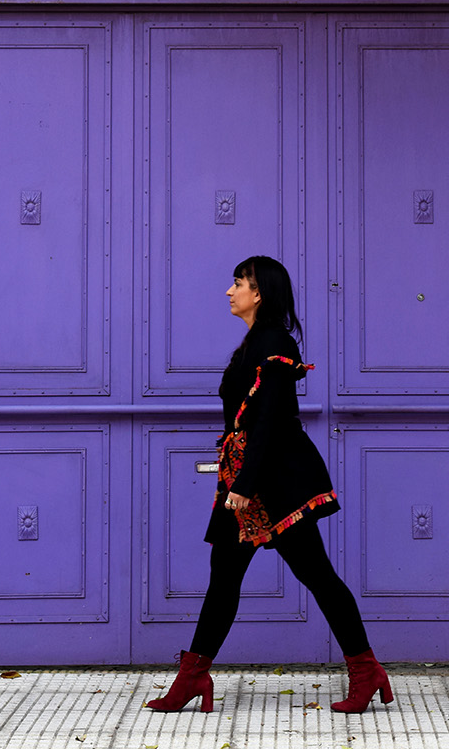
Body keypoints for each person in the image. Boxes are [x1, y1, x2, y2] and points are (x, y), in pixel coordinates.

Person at [146, 255, 392, 714]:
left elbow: (271, 422)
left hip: (275, 482)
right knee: (225, 578)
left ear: (258, 292)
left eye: (237, 282)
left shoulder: (277, 343)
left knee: (316, 575)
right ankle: (192, 679)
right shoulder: (253, 343)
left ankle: (366, 670)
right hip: (245, 479)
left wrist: (245, 482)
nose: (229, 290)